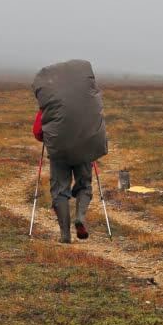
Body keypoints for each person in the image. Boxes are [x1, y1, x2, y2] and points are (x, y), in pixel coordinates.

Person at [32, 60, 109, 243]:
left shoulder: (49, 106)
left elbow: (37, 132)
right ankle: (80, 217)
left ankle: (65, 235)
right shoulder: (88, 102)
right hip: (85, 149)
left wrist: (49, 137)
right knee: (84, 185)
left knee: (60, 191)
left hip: (60, 153)